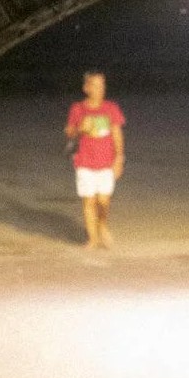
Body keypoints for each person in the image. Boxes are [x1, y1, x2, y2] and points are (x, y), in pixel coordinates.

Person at [64, 71, 125, 249]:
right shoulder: (78, 109)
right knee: (88, 201)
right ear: (86, 88)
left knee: (104, 201)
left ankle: (102, 225)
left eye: (103, 85)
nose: (101, 89)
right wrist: (79, 129)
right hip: (84, 162)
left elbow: (117, 134)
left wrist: (119, 158)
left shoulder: (111, 108)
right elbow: (69, 132)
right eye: (96, 85)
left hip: (106, 162)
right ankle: (92, 238)